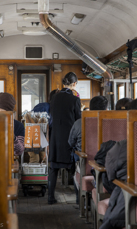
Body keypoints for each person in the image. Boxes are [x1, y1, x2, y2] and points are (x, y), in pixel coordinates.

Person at [48, 72, 81, 204]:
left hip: (55, 137)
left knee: (53, 168)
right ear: (74, 84)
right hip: (69, 138)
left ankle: (50, 197)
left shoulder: (54, 98)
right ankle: (79, 199)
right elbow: (79, 121)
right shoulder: (75, 100)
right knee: (74, 168)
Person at [68, 96, 108, 204]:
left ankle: (80, 201)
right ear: (106, 109)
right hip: (107, 164)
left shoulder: (79, 123)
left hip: (85, 164)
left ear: (90, 108)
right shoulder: (112, 123)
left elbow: (70, 142)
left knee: (76, 156)